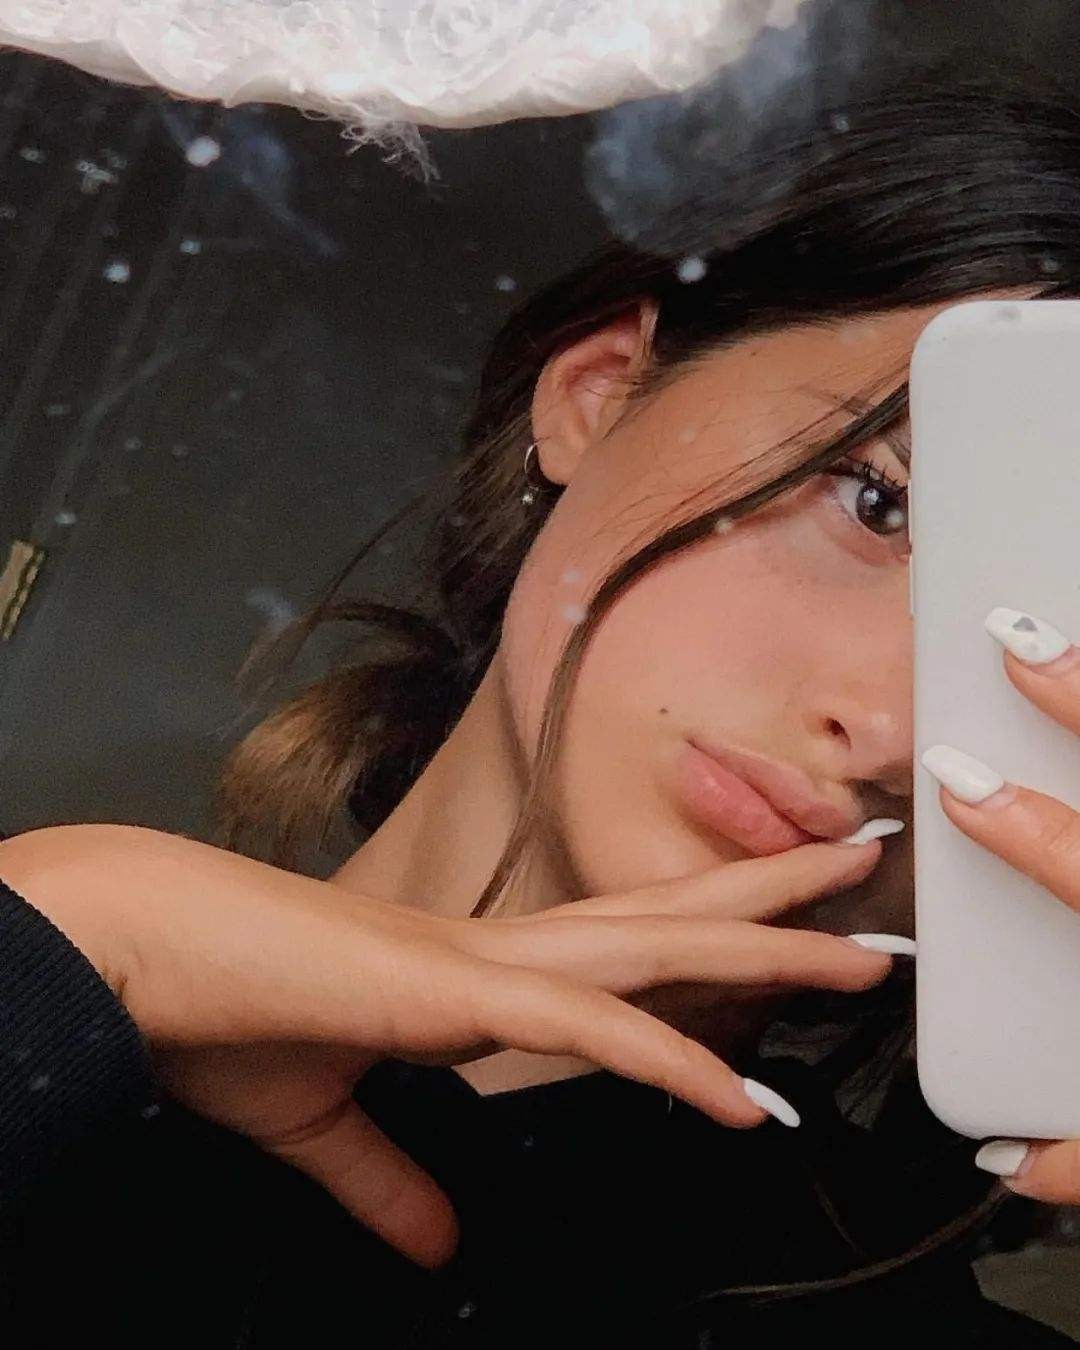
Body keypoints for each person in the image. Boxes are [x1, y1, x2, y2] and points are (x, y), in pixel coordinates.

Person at [5, 74, 1080, 1347]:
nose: (889, 729)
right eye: (878, 502)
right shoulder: (62, 1014)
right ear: (601, 390)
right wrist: (68, 945)